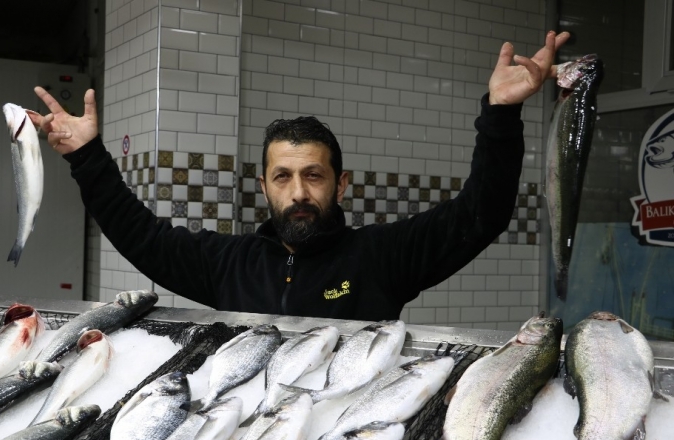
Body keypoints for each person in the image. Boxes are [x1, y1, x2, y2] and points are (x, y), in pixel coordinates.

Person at [30, 31, 570, 322]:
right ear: (263, 187)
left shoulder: (381, 258)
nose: (299, 192)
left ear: (341, 185)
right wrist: (87, 157)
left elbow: (481, 214)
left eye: (313, 175)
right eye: (283, 177)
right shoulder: (227, 265)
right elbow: (140, 237)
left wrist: (500, 112)